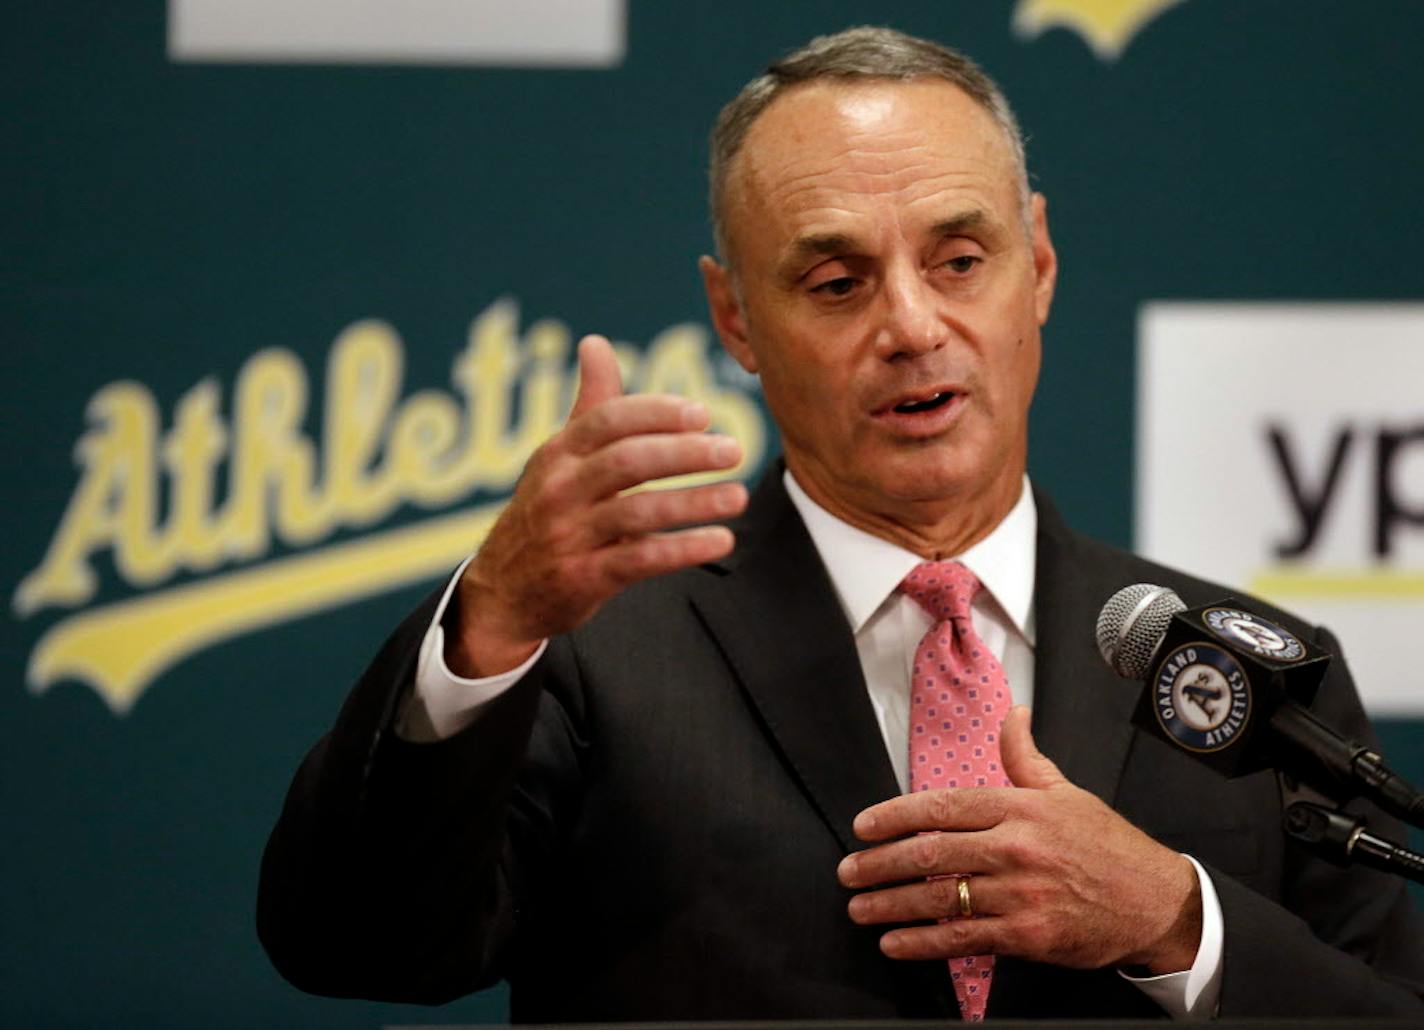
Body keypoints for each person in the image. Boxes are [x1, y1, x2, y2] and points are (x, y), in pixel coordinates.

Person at [257, 26, 1424, 1021]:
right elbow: (359, 947)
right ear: (735, 319)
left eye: (960, 259)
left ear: (1041, 265)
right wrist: (494, 615)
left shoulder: (1242, 671)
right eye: (834, 283)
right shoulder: (585, 654)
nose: (912, 325)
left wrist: (1174, 921)